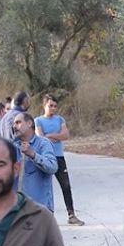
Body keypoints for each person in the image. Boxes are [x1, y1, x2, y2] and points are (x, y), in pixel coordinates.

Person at [12, 112, 59, 246]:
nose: (15, 126)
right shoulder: (11, 147)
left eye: (19, 122)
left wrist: (32, 154)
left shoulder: (42, 144)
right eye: (14, 123)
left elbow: (52, 167)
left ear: (30, 124)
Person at [34, 95, 82, 226]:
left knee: (65, 185)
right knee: (43, 187)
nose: (53, 108)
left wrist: (51, 135)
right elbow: (40, 137)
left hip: (59, 156)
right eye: (50, 105)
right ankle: (43, 216)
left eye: (55, 106)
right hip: (45, 157)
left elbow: (65, 135)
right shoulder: (38, 121)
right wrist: (54, 136)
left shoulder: (60, 119)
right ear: (44, 106)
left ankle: (71, 214)